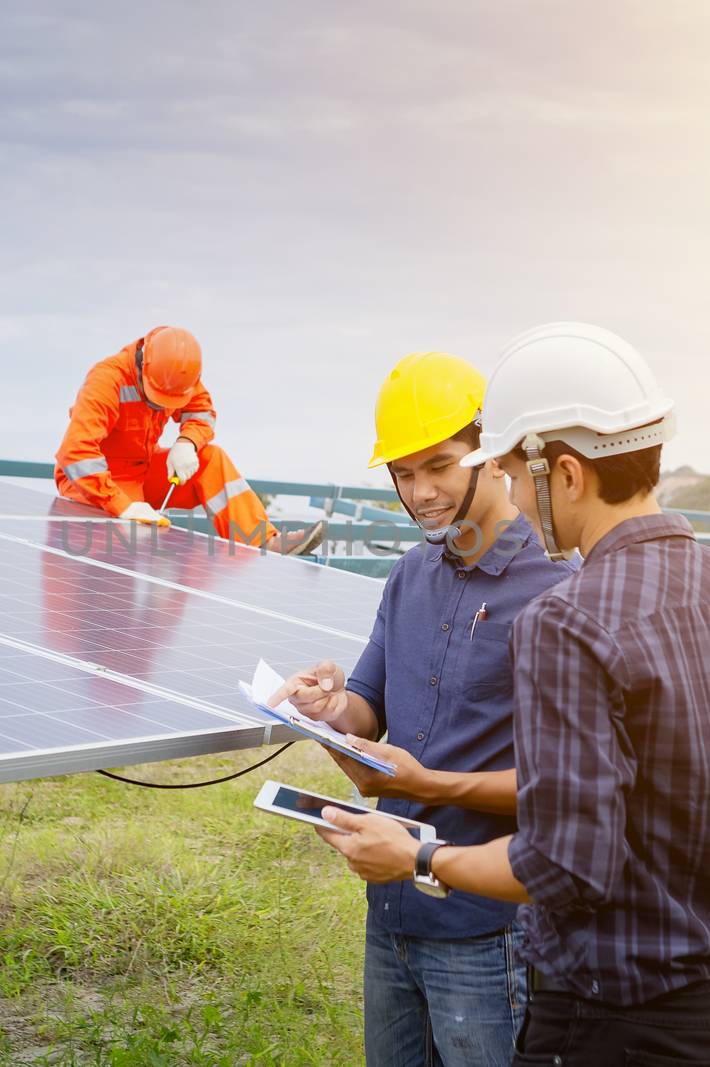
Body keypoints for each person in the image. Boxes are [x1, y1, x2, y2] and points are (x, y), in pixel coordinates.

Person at [314, 323, 710, 1066]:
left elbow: (564, 862)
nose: (515, 493)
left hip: (606, 1022)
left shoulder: (568, 616)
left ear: (570, 474)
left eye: (519, 474)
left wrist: (421, 857)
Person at [268, 351, 577, 1067]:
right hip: (392, 907)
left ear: (492, 452)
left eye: (438, 464)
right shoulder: (410, 574)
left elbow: (568, 788)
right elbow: (366, 707)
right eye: (404, 474)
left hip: (491, 927)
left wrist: (417, 783)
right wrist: (328, 704)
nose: (421, 492)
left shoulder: (558, 588)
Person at [53, 325, 323, 554]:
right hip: (96, 482)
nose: (160, 406)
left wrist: (188, 443)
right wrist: (121, 504)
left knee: (212, 458)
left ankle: (263, 542)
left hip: (142, 470)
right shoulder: (107, 379)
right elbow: (76, 452)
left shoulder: (181, 376)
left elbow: (202, 412)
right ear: (143, 367)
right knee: (135, 541)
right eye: (155, 398)